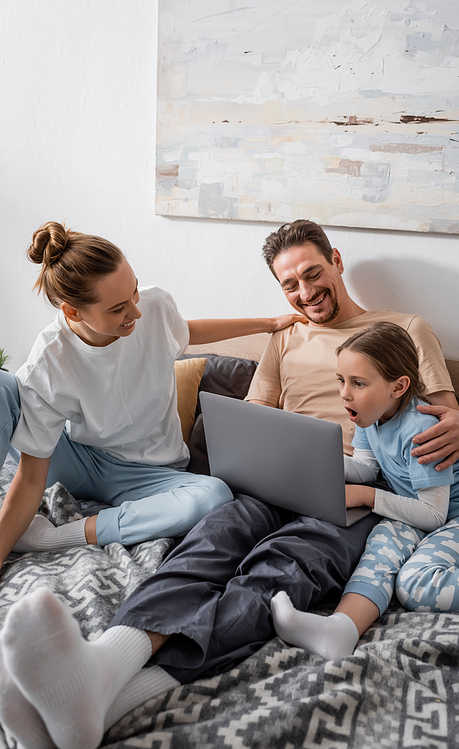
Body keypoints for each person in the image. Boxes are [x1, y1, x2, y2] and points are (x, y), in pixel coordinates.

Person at [0, 220, 459, 749]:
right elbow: (255, 414)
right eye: (289, 284)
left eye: (313, 274)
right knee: (203, 551)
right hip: (273, 479)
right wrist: (255, 459)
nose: (305, 292)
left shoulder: (405, 329)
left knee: (272, 577)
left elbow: (448, 429)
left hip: (357, 493)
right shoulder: (287, 335)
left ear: (337, 261)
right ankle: (107, 657)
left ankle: (106, 694)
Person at [0, 220, 299, 567]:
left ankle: (50, 538)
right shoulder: (48, 360)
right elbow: (31, 476)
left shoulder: (154, 308)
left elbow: (185, 331)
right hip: (80, 461)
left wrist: (266, 324)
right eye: (118, 309)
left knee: (213, 495)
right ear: (72, 311)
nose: (136, 312)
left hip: (150, 472)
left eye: (135, 293)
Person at [271, 322, 459, 660]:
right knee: (381, 546)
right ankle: (341, 628)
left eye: (358, 383)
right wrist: (318, 457)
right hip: (416, 509)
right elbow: (366, 468)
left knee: (413, 583)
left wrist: (366, 496)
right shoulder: (369, 416)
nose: (345, 393)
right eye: (341, 380)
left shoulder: (421, 431)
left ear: (398, 386)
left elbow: (435, 515)